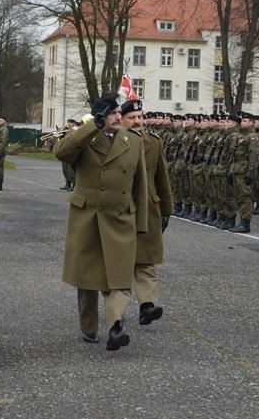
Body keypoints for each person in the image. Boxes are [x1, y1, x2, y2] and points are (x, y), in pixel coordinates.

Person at [55, 93, 148, 351]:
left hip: (120, 217)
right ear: (100, 116)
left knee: (118, 279)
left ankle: (115, 326)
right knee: (87, 280)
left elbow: (140, 185)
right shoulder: (86, 139)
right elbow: (62, 152)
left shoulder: (133, 140)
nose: (119, 117)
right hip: (88, 217)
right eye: (113, 113)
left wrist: (142, 224)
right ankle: (89, 328)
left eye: (120, 112)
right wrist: (90, 127)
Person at [120, 100, 173, 324]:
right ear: (121, 119)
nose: (137, 121)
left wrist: (166, 210)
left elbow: (162, 177)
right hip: (120, 208)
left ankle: (147, 305)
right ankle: (117, 313)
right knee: (120, 261)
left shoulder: (154, 142)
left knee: (145, 260)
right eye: (132, 117)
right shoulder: (111, 141)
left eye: (140, 117)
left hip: (148, 207)